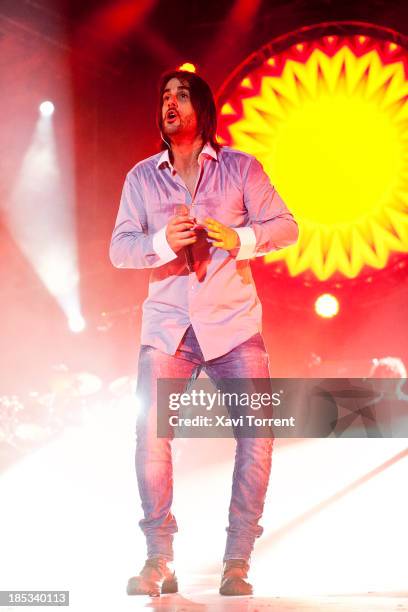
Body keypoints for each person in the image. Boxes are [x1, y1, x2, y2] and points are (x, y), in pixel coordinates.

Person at [110, 69, 299, 598]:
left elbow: (287, 227)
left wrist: (237, 236)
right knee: (150, 437)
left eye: (182, 94)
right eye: (164, 94)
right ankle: (158, 558)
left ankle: (236, 560)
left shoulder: (240, 168)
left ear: (204, 108)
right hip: (168, 325)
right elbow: (119, 248)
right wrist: (162, 242)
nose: (170, 101)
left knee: (257, 437)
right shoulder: (141, 178)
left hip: (232, 324)